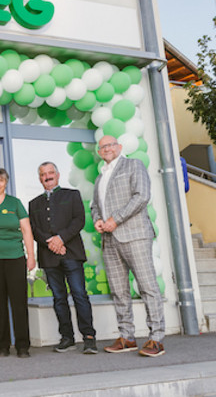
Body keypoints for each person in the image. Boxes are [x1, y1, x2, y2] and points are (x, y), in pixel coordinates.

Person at [92, 135, 165, 357]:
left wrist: (116, 218)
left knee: (147, 286)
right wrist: (97, 219)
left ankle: (157, 338)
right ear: (99, 151)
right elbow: (95, 205)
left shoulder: (134, 165)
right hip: (109, 240)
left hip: (134, 235)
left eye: (110, 145)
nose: (106, 149)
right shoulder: (99, 178)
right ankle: (127, 337)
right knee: (118, 290)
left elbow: (142, 196)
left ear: (119, 147)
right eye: (102, 146)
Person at [29, 161, 97, 354]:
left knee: (79, 295)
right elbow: (34, 229)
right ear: (40, 178)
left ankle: (89, 337)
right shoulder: (34, 203)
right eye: (43, 174)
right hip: (49, 257)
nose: (47, 176)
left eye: (51, 173)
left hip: (72, 254)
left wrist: (60, 239)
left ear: (57, 175)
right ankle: (67, 337)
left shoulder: (72, 195)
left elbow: (79, 221)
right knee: (59, 298)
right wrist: (51, 242)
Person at [0, 167, 35, 358]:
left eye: (1, 180)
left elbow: (26, 230)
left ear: (6, 183)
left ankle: (22, 346)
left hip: (15, 257)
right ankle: (2, 346)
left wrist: (31, 255)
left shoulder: (15, 203)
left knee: (19, 302)